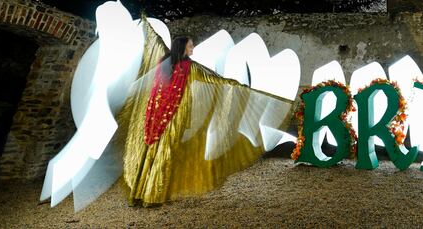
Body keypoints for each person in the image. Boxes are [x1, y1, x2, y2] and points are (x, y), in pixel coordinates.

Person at [117, 19, 292, 206]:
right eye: (190, 46)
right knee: (165, 152)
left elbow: (160, 88)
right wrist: (233, 85)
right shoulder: (187, 66)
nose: (193, 48)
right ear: (183, 47)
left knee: (152, 151)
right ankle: (153, 195)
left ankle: (140, 193)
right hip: (173, 114)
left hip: (156, 114)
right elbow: (213, 79)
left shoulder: (164, 64)